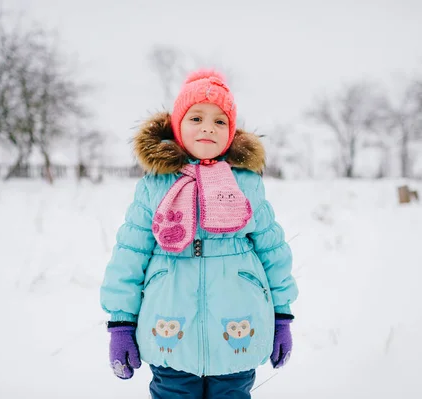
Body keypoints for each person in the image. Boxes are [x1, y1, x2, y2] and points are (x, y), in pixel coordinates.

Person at [100, 69, 298, 399]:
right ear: (177, 127)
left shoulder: (246, 183)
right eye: (196, 117)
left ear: (231, 132)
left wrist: (282, 316)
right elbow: (129, 255)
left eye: (220, 121)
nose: (208, 127)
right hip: (168, 323)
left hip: (238, 324)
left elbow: (273, 251)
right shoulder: (155, 185)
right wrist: (121, 323)